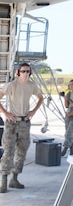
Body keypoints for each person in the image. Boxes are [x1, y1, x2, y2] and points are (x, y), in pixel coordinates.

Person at [0, 62, 44, 192]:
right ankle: (3, 181)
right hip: (12, 123)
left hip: (25, 123)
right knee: (8, 151)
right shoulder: (11, 85)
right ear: (18, 72)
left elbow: (40, 98)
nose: (25, 73)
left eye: (27, 71)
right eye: (23, 71)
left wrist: (34, 111)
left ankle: (14, 178)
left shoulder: (32, 86)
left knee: (22, 151)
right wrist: (5, 113)